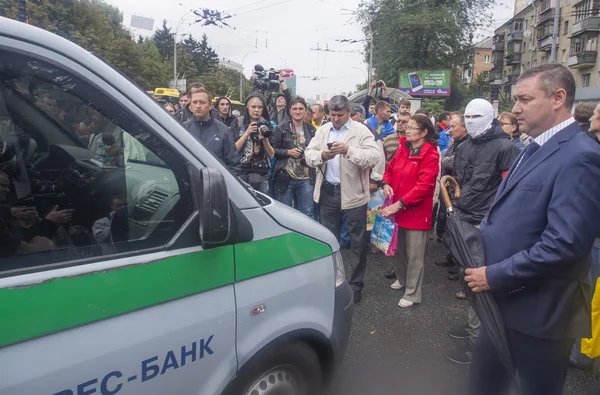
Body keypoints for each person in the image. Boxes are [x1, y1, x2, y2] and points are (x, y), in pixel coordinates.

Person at [463, 64, 600, 395]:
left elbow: (565, 245)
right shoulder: (534, 145)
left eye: (524, 99)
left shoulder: (580, 156)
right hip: (502, 305)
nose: (515, 109)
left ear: (558, 97)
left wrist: (493, 275)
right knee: (482, 386)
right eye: (515, 99)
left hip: (540, 315)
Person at [444, 99, 520, 365]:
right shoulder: (464, 146)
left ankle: (480, 344)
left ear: (490, 116)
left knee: (481, 281)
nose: (471, 119)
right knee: (468, 279)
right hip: (462, 217)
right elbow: (461, 182)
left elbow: (508, 190)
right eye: (467, 115)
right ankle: (473, 327)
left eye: (477, 115)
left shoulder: (506, 147)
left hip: (486, 224)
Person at [304, 95, 380, 304]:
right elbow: (308, 154)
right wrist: (322, 156)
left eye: (340, 115)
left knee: (357, 241)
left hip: (354, 193)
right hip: (328, 192)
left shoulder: (361, 131)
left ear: (348, 112)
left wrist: (348, 150)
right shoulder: (323, 130)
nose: (335, 119)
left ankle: (355, 285)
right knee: (329, 241)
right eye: (332, 115)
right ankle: (332, 281)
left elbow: (374, 157)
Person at [380, 114, 440, 308]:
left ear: (424, 132)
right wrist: (386, 184)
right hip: (396, 210)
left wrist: (399, 204)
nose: (406, 129)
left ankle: (413, 293)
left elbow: (423, 187)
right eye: (407, 126)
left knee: (414, 256)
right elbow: (389, 168)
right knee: (396, 250)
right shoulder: (403, 147)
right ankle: (403, 280)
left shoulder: (430, 154)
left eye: (412, 128)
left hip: (414, 212)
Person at [271, 97, 316, 218]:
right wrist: (288, 152)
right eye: (294, 109)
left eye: (301, 109)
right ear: (290, 111)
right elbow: (272, 151)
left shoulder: (311, 129)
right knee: (284, 214)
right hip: (286, 176)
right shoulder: (280, 129)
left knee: (308, 213)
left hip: (306, 177)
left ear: (305, 110)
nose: (298, 111)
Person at [183, 88, 240, 174]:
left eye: (202, 102)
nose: (198, 106)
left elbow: (233, 165)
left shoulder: (224, 131)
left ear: (210, 106)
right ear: (190, 106)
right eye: (195, 102)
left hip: (215, 184)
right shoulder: (183, 129)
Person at [230, 91, 275, 193]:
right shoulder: (238, 122)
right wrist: (246, 133)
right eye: (253, 107)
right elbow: (233, 150)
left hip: (262, 173)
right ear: (247, 107)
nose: (256, 110)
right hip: (241, 170)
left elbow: (272, 154)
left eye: (260, 107)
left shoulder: (267, 125)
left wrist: (264, 139)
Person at [436, 111, 468, 246]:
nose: (450, 130)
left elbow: (449, 161)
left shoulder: (466, 144)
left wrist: (444, 160)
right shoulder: (455, 141)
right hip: (448, 184)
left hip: (457, 188)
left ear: (464, 128)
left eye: (453, 127)